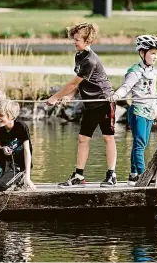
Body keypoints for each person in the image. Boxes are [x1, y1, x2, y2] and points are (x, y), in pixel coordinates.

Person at [46, 22, 117, 188]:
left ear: (88, 41)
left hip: (104, 101)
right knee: (83, 138)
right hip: (90, 103)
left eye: (77, 39)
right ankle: (79, 175)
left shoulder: (90, 60)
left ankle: (111, 175)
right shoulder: (79, 55)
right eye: (74, 39)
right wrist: (70, 96)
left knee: (108, 137)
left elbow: (72, 83)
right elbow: (80, 84)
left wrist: (55, 97)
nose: (74, 42)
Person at [109, 35, 157, 186]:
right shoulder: (135, 71)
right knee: (139, 145)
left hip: (148, 112)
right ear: (142, 53)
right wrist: (116, 95)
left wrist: (155, 111)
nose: (155, 57)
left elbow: (152, 93)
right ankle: (142, 176)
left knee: (141, 145)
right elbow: (126, 87)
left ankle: (133, 175)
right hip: (138, 112)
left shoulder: (152, 72)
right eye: (152, 53)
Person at [0, 100, 36, 191]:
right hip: (4, 162)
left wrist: (28, 177)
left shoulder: (21, 127)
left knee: (0, 186)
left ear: (11, 116)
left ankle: (22, 177)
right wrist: (3, 148)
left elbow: (27, 152)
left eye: (1, 115)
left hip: (17, 165)